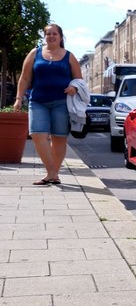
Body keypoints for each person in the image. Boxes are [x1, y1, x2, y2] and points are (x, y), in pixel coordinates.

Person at [13, 23, 83, 185]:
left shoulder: (69, 56)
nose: (51, 36)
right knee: (37, 135)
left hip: (62, 102)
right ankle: (51, 172)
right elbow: (24, 78)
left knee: (59, 138)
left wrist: (74, 87)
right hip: (38, 101)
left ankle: (53, 174)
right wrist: (18, 98)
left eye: (55, 34)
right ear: (44, 37)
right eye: (48, 34)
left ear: (60, 37)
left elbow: (79, 80)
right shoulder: (35, 53)